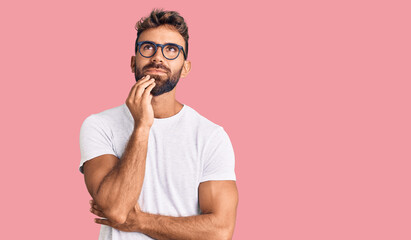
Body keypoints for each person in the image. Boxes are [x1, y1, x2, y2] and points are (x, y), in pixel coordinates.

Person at [79, 9, 238, 240]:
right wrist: (142, 126)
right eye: (148, 47)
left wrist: (139, 222)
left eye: (171, 50)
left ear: (185, 68)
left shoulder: (210, 136)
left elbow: (220, 231)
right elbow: (116, 209)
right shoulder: (99, 125)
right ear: (133, 62)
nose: (158, 57)